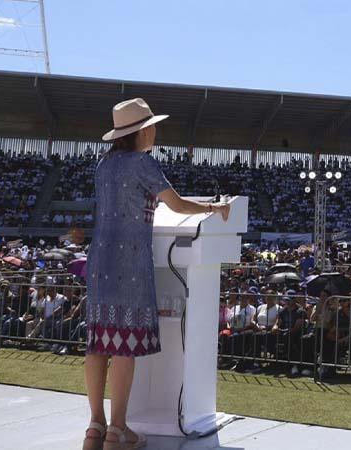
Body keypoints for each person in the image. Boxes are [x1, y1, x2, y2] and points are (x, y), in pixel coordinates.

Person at [83, 98, 231, 450]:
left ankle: (95, 425)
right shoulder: (143, 163)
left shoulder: (103, 165)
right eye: (153, 126)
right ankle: (118, 429)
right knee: (122, 344)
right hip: (130, 261)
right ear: (144, 130)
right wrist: (215, 207)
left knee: (97, 342)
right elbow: (177, 204)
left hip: (100, 259)